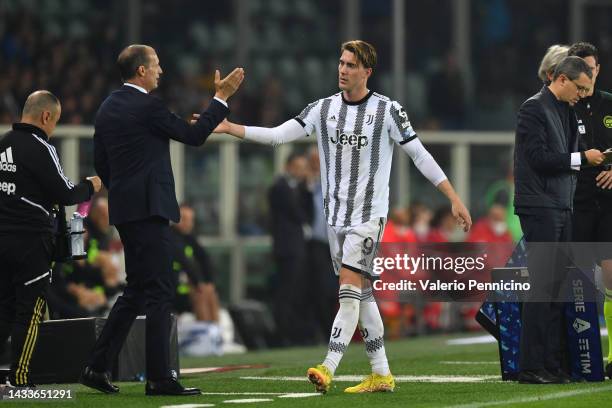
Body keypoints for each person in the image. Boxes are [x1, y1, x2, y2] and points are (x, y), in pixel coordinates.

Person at [211, 40, 472, 394]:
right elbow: (276, 137)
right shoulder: (322, 109)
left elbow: (420, 155)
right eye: (341, 62)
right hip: (335, 219)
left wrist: (453, 196)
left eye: (351, 65)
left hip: (368, 218)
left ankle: (328, 366)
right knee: (362, 295)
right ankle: (381, 373)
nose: (343, 69)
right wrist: (230, 128)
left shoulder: (388, 110)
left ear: (367, 71)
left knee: (348, 291)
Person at [80, 44, 244, 396]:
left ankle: (96, 366)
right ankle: (159, 378)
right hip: (149, 210)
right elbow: (194, 136)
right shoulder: (147, 105)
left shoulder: (107, 108)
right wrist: (220, 98)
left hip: (126, 210)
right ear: (141, 71)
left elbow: (102, 164)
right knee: (160, 290)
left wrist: (123, 191)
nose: (161, 70)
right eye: (156, 65)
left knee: (137, 290)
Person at [0, 90, 101, 387]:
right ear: (46, 116)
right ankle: (19, 380)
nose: (53, 127)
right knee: (29, 313)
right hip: (31, 243)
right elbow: (66, 193)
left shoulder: (3, 143)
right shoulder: (41, 147)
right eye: (55, 121)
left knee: (3, 309)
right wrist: (91, 185)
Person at [513, 56, 602, 384]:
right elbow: (537, 158)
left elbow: (568, 159)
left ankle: (550, 364)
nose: (581, 94)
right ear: (561, 79)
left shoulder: (567, 109)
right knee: (542, 287)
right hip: (540, 206)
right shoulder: (533, 108)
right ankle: (531, 366)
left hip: (561, 206)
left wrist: (595, 161)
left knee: (556, 288)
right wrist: (581, 158)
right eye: (578, 88)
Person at [567, 42, 612, 379]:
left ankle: (611, 356)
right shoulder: (565, 106)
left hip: (609, 203)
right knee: (578, 283)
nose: (589, 73)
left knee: (611, 278)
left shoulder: (610, 103)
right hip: (577, 201)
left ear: (598, 69)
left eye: (592, 68)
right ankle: (579, 354)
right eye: (582, 67)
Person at [268, 151, 313, 345]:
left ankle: (293, 332)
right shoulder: (279, 187)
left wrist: (307, 189)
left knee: (296, 291)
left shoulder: (298, 188)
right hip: (287, 248)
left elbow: (308, 214)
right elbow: (298, 214)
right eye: (298, 167)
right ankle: (281, 334)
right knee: (285, 292)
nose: (302, 171)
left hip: (298, 247)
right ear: (288, 166)